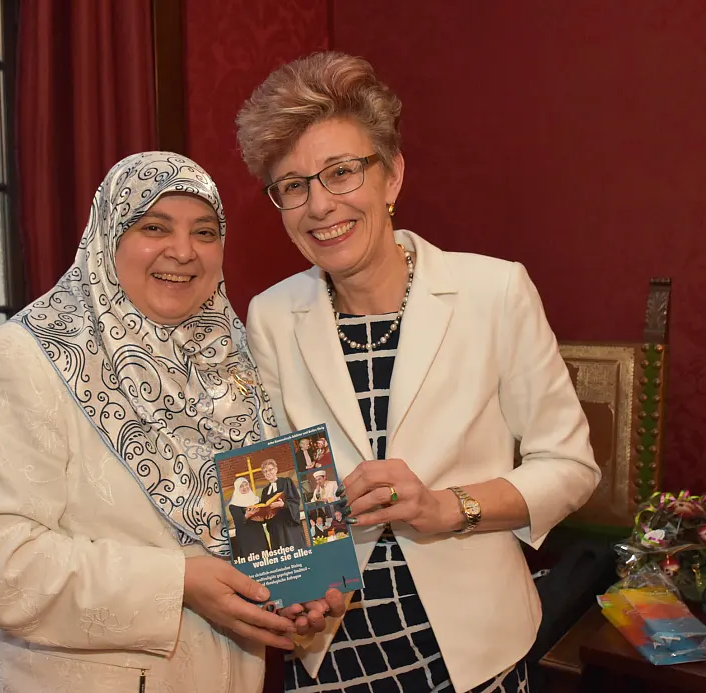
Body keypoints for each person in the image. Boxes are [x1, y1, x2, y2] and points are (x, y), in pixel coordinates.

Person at [236, 53, 600, 693]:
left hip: (475, 651)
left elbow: (569, 467)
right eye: (293, 186)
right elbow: (275, 508)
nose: (320, 205)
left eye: (342, 173)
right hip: (332, 648)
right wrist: (296, 588)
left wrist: (445, 507)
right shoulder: (269, 315)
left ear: (392, 176)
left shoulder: (495, 290)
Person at [0, 152, 342, 693]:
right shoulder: (23, 356)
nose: (183, 251)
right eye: (154, 227)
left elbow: (270, 524)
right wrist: (177, 581)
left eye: (205, 232)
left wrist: (303, 593)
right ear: (108, 237)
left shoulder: (231, 353)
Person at [260, 458, 308, 551]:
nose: (268, 473)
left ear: (276, 470)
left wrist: (283, 504)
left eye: (270, 469)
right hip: (275, 528)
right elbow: (264, 508)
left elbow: (295, 500)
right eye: (265, 471)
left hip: (288, 524)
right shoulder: (265, 491)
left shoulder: (286, 482)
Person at [229, 477, 271, 557]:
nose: (245, 487)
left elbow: (263, 516)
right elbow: (238, 522)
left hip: (258, 534)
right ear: (237, 488)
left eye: (246, 485)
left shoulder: (255, 500)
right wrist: (247, 515)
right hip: (246, 536)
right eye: (241, 486)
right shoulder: (234, 505)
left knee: (264, 557)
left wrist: (262, 518)